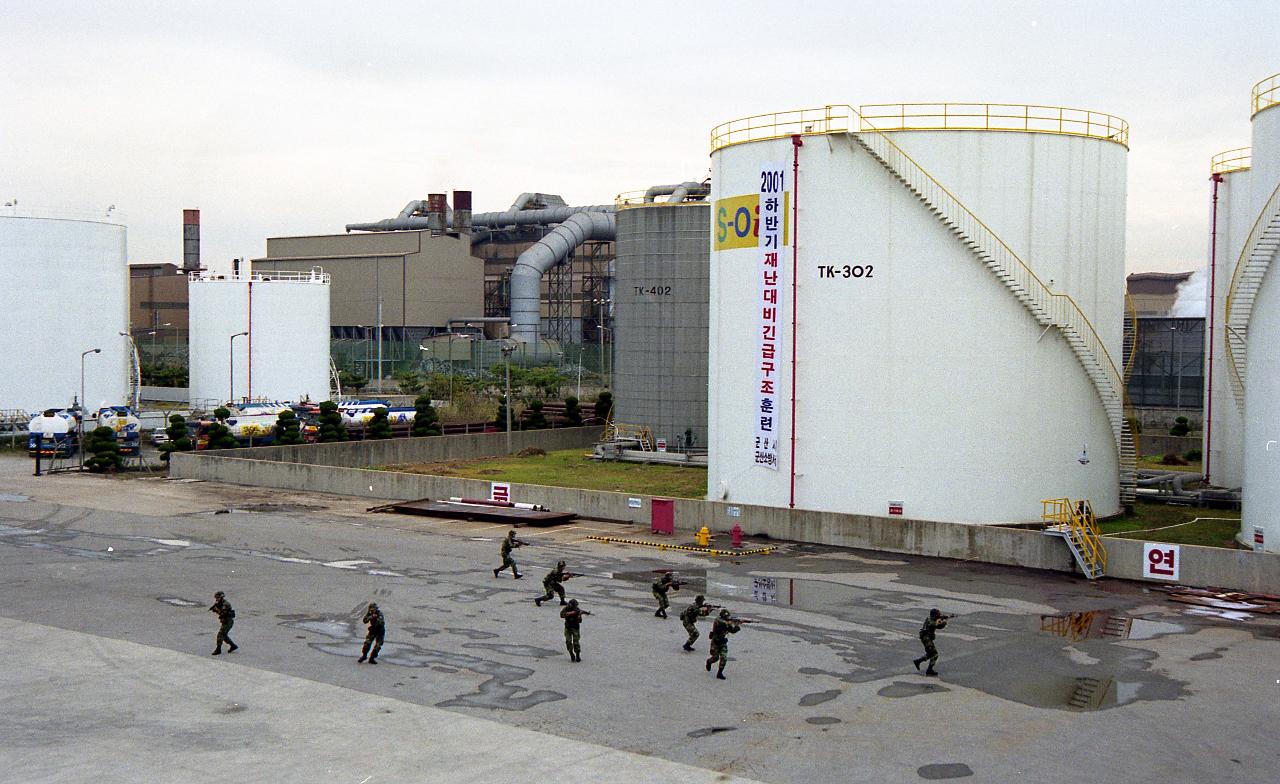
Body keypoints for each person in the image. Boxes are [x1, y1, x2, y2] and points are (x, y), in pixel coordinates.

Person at [705, 609, 741, 680]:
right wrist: (731, 622)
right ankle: (709, 662)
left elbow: (732, 630)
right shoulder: (718, 620)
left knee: (724, 658)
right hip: (715, 642)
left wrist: (737, 626)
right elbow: (724, 623)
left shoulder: (727, 622)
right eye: (726, 617)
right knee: (715, 658)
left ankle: (719, 673)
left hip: (723, 642)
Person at [913, 608, 949, 677]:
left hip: (927, 638)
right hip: (926, 639)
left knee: (930, 654)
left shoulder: (930, 619)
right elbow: (939, 626)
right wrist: (944, 621)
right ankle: (929, 670)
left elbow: (937, 621)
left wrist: (942, 618)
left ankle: (918, 661)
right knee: (934, 654)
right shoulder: (931, 621)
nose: (938, 616)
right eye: (937, 615)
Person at [560, 598, 590, 662]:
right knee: (568, 641)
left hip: (575, 628)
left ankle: (578, 655)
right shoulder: (566, 608)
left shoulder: (577, 610)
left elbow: (580, 621)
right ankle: (571, 654)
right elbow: (561, 615)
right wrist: (567, 614)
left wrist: (579, 616)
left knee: (576, 642)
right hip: (568, 627)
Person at [209, 591, 237, 655]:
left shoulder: (225, 604)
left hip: (228, 622)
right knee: (224, 635)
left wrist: (216, 609)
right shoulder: (220, 603)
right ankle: (233, 646)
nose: (216, 599)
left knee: (220, 635)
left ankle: (218, 649)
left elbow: (222, 614)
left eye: (217, 597)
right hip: (225, 622)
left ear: (221, 597)